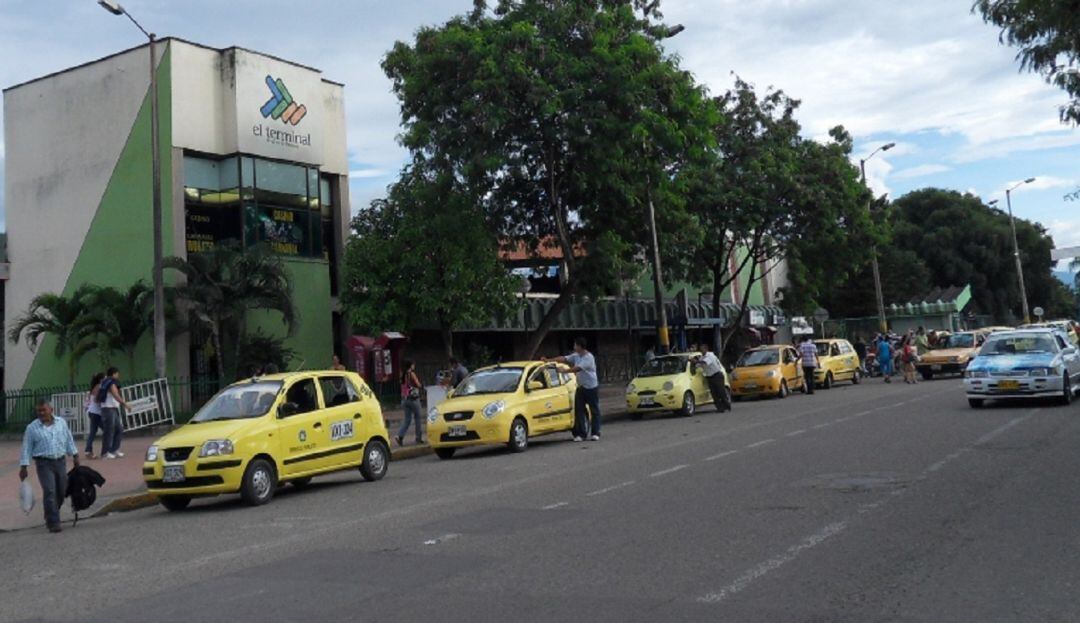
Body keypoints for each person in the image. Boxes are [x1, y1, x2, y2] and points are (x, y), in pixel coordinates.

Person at [19, 400, 80, 533]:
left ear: (51, 410)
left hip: (60, 461)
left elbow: (68, 439)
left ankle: (50, 513)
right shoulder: (32, 428)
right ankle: (53, 522)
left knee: (62, 490)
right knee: (50, 491)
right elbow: (26, 447)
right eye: (39, 411)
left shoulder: (61, 423)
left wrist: (75, 455)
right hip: (43, 464)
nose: (41, 413)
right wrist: (24, 466)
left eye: (43, 410)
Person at [545, 337, 601, 442]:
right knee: (579, 410)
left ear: (580, 346)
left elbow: (578, 368)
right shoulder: (576, 355)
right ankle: (581, 434)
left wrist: (564, 371)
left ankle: (595, 433)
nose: (574, 346)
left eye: (575, 345)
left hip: (591, 387)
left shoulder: (589, 358)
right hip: (580, 386)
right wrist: (549, 360)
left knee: (594, 410)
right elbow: (564, 358)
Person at [98, 367, 130, 459]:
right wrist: (125, 404)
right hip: (109, 409)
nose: (118, 376)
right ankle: (105, 452)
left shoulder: (105, 382)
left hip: (111, 408)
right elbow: (115, 394)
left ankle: (114, 449)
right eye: (117, 374)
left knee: (118, 429)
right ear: (114, 374)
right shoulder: (110, 382)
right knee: (109, 431)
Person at [693, 345, 730, 413]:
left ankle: (727, 405)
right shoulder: (702, 357)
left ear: (706, 349)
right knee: (714, 394)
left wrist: (696, 361)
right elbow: (698, 365)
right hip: (710, 377)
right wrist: (694, 363)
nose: (701, 351)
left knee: (721, 392)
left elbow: (705, 362)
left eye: (702, 349)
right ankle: (720, 408)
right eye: (700, 350)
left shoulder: (710, 355)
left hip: (717, 375)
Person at [395, 360, 424, 447]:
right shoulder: (411, 374)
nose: (414, 366)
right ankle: (418, 438)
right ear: (410, 365)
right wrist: (421, 386)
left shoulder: (402, 374)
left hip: (404, 399)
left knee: (407, 419)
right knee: (418, 418)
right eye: (413, 364)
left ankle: (400, 436)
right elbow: (418, 384)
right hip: (413, 399)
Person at [83, 372, 105, 459]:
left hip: (93, 412)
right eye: (104, 378)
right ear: (101, 379)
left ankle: (88, 450)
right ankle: (89, 450)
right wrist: (103, 402)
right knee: (105, 430)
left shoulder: (95, 386)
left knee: (93, 431)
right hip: (95, 412)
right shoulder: (99, 386)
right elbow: (96, 400)